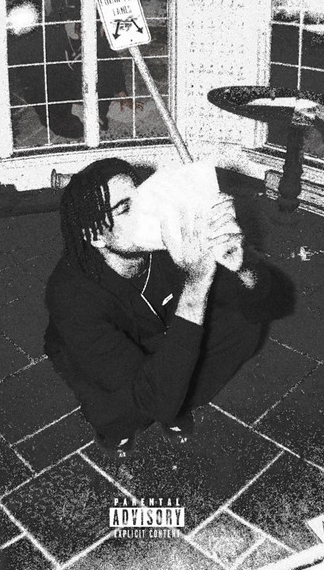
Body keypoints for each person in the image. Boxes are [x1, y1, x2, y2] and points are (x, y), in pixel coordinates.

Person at [44, 158, 274, 457]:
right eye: (125, 208)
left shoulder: (166, 245)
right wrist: (195, 285)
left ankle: (177, 402)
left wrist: (239, 263)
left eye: (141, 197)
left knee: (244, 324)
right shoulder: (70, 294)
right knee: (122, 409)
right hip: (97, 356)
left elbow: (255, 298)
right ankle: (117, 427)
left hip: (161, 333)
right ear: (96, 236)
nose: (148, 211)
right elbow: (145, 391)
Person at [7, 1, 132, 140]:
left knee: (97, 121)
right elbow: (35, 87)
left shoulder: (97, 30)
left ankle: (91, 110)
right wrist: (72, 109)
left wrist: (122, 94)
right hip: (52, 88)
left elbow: (111, 62)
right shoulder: (48, 36)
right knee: (73, 129)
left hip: (77, 84)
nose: (101, 37)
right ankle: (79, 109)